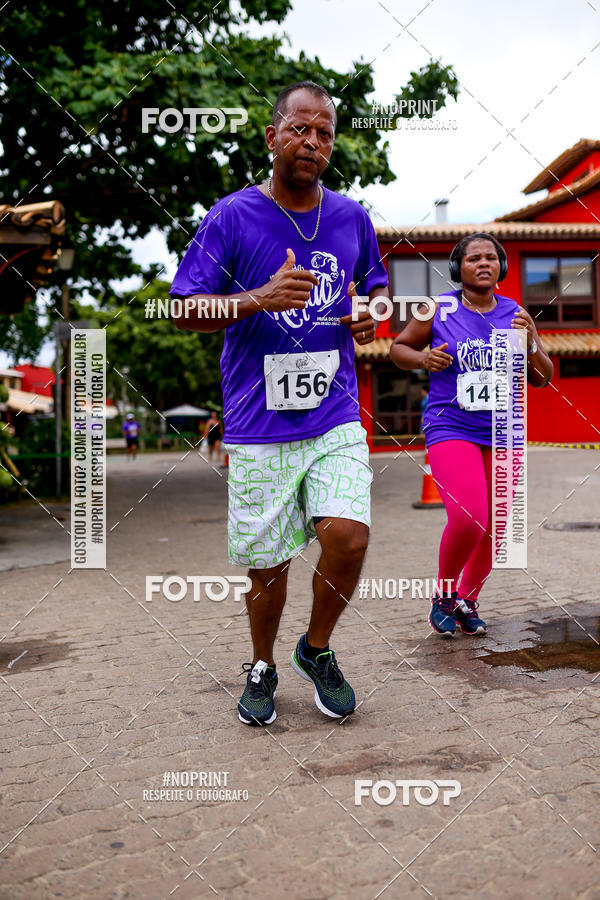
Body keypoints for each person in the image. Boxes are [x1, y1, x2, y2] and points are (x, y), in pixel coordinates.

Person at [170, 80, 389, 725]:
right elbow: (183, 309)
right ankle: (262, 664)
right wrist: (258, 299)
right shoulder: (232, 216)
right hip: (258, 422)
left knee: (348, 538)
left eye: (324, 133)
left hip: (333, 412)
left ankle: (315, 649)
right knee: (268, 566)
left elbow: (376, 287)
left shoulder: (351, 217)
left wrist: (372, 314)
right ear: (272, 136)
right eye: (299, 128)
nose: (311, 142)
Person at [390, 233, 553, 637]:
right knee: (469, 517)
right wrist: (423, 357)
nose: (483, 263)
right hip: (451, 425)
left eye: (491, 258)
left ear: (502, 267)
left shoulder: (516, 314)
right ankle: (444, 595)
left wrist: (531, 343)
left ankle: (466, 600)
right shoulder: (437, 308)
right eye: (473, 258)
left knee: (496, 528)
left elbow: (542, 377)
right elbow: (397, 349)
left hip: (503, 431)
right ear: (457, 268)